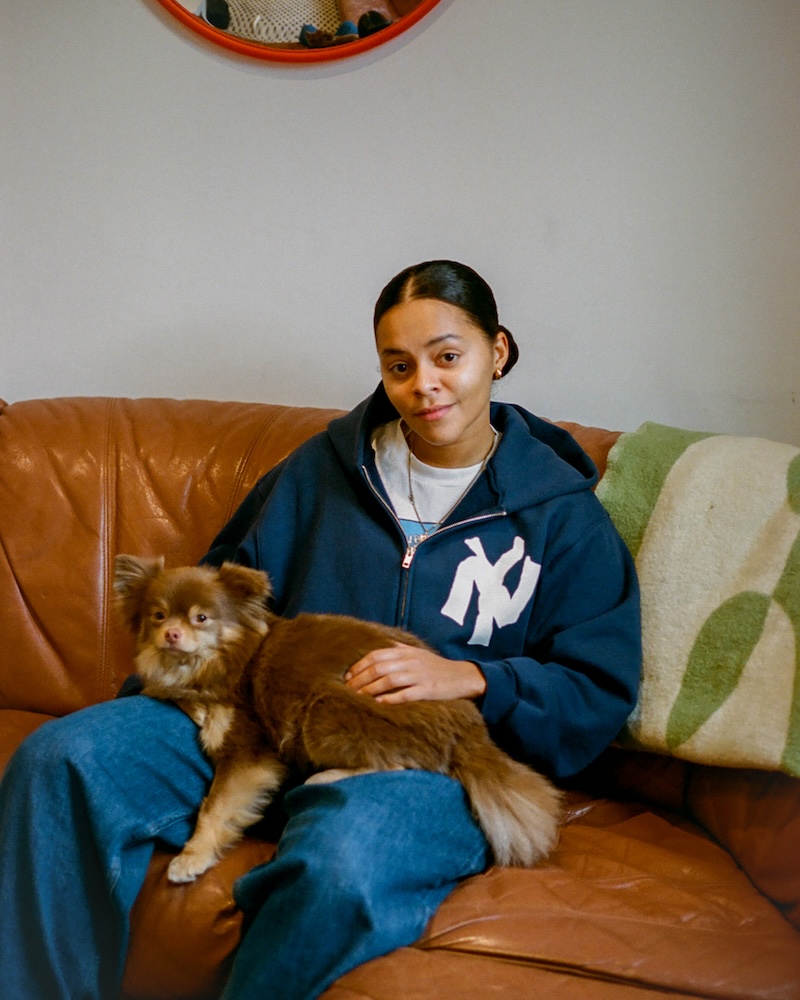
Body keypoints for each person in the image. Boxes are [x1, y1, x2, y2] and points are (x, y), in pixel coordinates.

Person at [0, 260, 641, 1000]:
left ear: (497, 352)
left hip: (423, 762)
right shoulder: (319, 472)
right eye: (399, 366)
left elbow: (599, 691)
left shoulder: (563, 518)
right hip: (252, 717)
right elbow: (222, 595)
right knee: (58, 759)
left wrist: (477, 678)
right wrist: (177, 687)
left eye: (447, 357)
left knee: (343, 856)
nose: (423, 384)